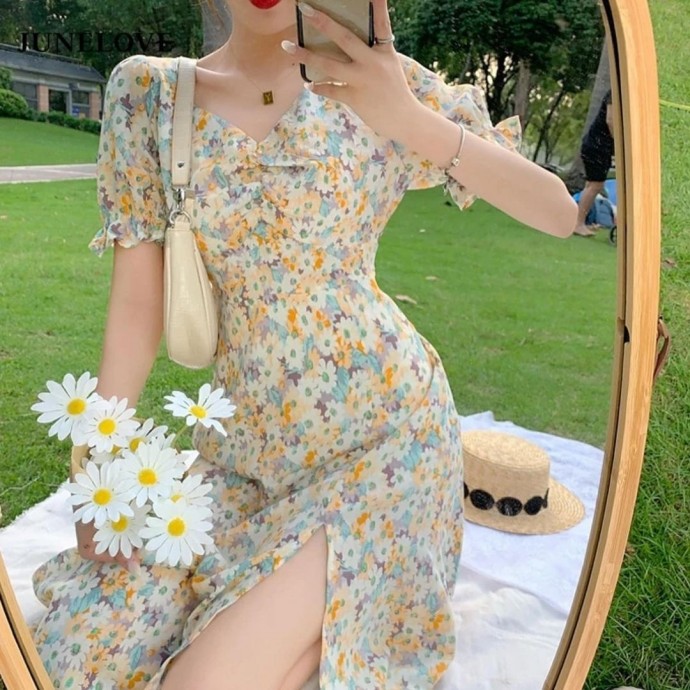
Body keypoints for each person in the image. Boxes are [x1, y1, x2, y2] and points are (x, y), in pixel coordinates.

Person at [28, 1, 578, 689]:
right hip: (242, 460)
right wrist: (98, 463)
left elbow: (558, 212)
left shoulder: (384, 81)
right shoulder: (149, 95)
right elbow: (138, 306)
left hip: (384, 447)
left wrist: (406, 115)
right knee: (89, 646)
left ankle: (338, 612)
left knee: (203, 682)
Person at [573, 88, 615, 237]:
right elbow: (611, 120)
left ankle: (581, 220)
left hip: (598, 146)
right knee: (595, 185)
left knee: (592, 185)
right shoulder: (615, 92)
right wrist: (620, 143)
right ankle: (578, 224)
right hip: (597, 146)